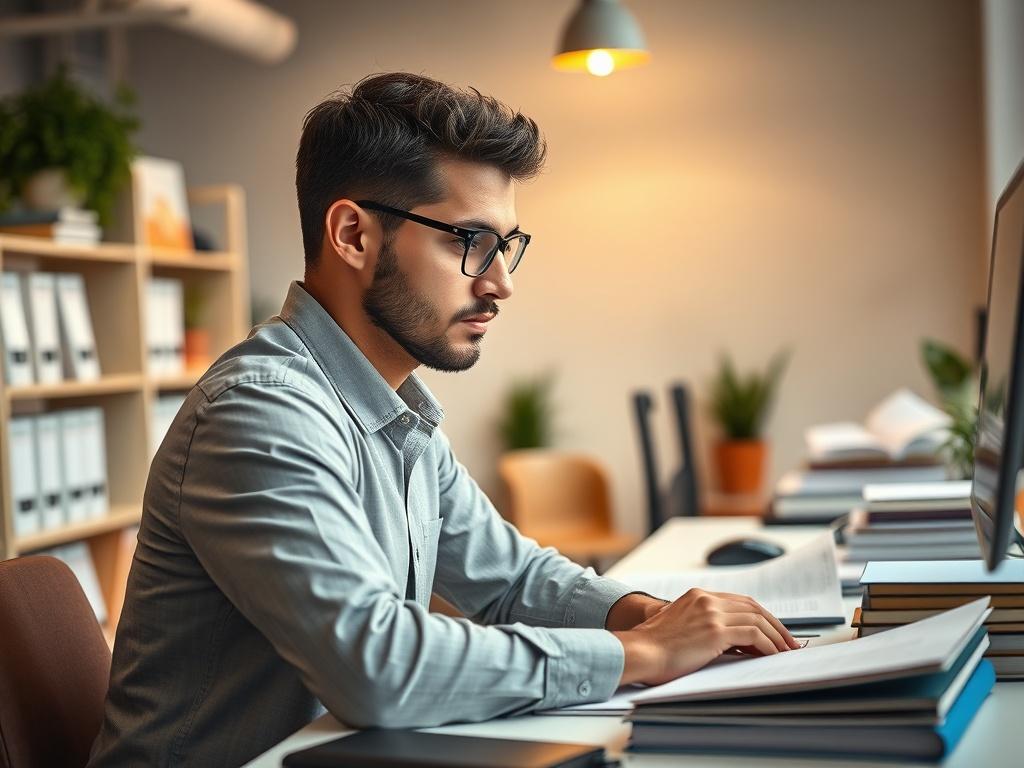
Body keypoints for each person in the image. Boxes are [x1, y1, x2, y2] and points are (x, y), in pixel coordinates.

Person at [88, 72, 798, 768]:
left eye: (507, 245)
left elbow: (511, 580)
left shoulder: (394, 413)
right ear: (353, 235)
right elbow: (376, 668)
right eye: (469, 241)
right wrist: (641, 654)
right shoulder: (261, 411)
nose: (501, 282)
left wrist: (644, 614)